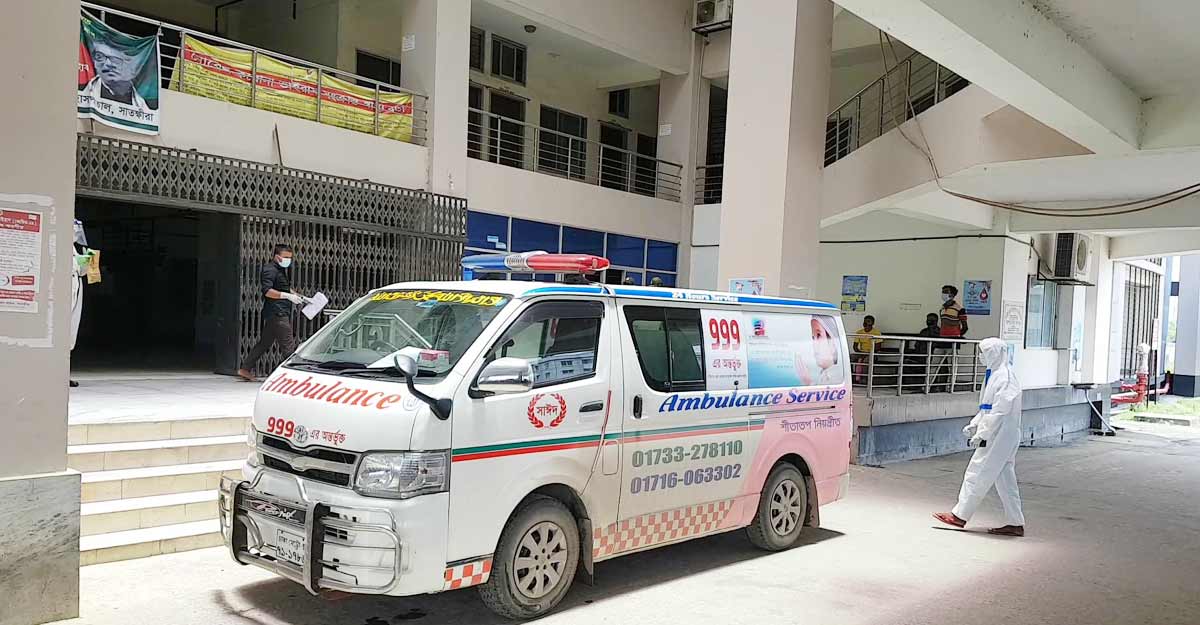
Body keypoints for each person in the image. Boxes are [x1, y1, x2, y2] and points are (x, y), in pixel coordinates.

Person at [933, 338, 1025, 536]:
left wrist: (984, 433)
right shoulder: (995, 375)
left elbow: (1000, 411)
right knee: (1005, 479)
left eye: (984, 352)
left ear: (995, 353)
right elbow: (987, 408)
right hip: (999, 433)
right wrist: (975, 423)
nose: (981, 356)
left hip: (1000, 434)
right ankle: (1015, 522)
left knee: (977, 471)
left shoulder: (1006, 378)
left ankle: (960, 515)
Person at [238, 244, 309, 381]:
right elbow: (268, 291)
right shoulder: (269, 270)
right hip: (278, 313)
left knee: (264, 343)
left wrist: (298, 296)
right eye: (286, 257)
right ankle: (293, 377)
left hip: (276, 313)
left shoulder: (280, 270)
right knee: (288, 346)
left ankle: (245, 369)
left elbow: (283, 288)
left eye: (290, 257)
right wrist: (287, 296)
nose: (288, 260)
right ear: (277, 257)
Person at [83, 40, 151, 108]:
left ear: (135, 67)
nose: (108, 64)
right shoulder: (81, 90)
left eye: (115, 59)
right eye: (100, 57)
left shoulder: (148, 106)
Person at [795, 316, 841, 386]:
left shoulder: (838, 378)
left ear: (833, 342)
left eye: (819, 335)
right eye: (813, 338)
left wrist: (808, 383)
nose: (814, 343)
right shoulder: (823, 375)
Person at [852, 315, 883, 384]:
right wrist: (861, 353)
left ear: (872, 323)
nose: (866, 323)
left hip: (872, 353)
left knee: (866, 361)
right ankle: (851, 378)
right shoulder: (859, 332)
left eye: (868, 321)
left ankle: (864, 379)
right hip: (861, 352)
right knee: (850, 357)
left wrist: (867, 354)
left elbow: (878, 348)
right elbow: (855, 347)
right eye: (865, 321)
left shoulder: (877, 333)